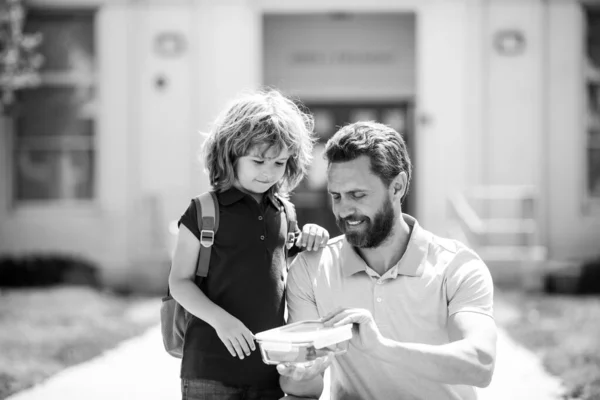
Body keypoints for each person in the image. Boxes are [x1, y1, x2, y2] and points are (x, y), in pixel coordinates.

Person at [278, 121, 497, 400]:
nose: (345, 210)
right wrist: (301, 374)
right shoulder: (310, 269)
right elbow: (305, 388)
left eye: (358, 195)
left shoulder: (457, 266)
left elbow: (481, 364)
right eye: (336, 196)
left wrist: (381, 348)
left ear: (397, 187)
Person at [169, 89, 330, 400]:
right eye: (258, 161)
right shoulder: (204, 210)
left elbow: (285, 265)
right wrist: (222, 321)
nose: (268, 172)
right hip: (209, 371)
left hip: (270, 371)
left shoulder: (285, 212)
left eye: (280, 163)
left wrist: (311, 235)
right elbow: (179, 281)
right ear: (231, 154)